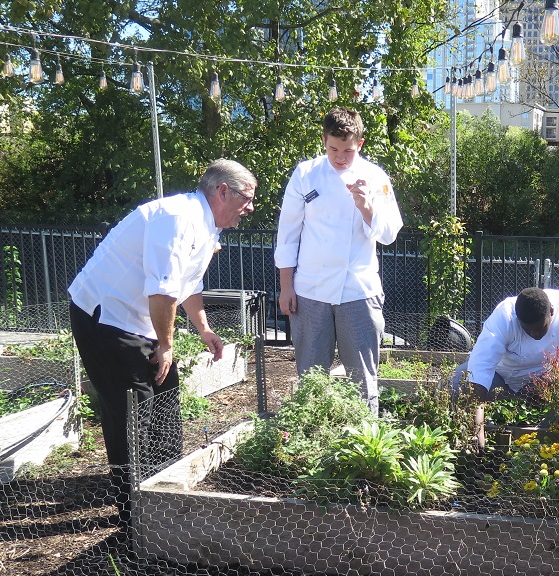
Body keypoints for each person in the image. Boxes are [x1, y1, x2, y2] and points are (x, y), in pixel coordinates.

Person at [68, 158, 257, 521]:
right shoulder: (177, 219)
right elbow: (163, 291)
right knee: (132, 408)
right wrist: (166, 344)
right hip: (106, 317)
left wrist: (203, 328)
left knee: (165, 395)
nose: (249, 207)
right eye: (246, 198)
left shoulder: (207, 225)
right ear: (222, 191)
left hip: (140, 319)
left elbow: (189, 286)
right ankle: (135, 512)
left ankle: (164, 489)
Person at [275, 108, 402, 415]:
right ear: (323, 140)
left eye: (347, 150)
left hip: (358, 290)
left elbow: (389, 234)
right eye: (333, 148)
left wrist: (365, 206)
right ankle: (310, 447)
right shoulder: (305, 174)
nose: (340, 157)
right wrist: (286, 286)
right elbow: (288, 234)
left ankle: (364, 448)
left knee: (363, 380)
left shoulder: (374, 177)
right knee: (311, 380)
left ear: (360, 143)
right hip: (310, 290)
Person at [452, 287, 559, 447]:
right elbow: (480, 367)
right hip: (501, 379)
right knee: (459, 380)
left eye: (540, 327)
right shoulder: (504, 315)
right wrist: (476, 428)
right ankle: (465, 436)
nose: (534, 334)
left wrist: (553, 381)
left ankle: (547, 440)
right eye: (527, 329)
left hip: (543, 382)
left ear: (552, 312)